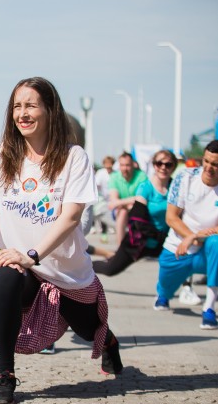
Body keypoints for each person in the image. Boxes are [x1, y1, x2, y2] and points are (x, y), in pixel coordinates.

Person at [0, 77, 123, 404]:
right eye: (17, 106)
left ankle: (107, 341)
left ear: (50, 110)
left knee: (88, 328)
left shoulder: (73, 157)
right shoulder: (2, 154)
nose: (22, 113)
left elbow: (71, 216)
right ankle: (5, 373)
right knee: (4, 275)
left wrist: (33, 255)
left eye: (31, 106)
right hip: (20, 264)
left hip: (65, 270)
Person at [153, 141, 218, 330]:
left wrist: (196, 237)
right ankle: (163, 293)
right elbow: (171, 217)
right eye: (206, 161)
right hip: (178, 249)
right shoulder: (185, 177)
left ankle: (209, 309)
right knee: (165, 289)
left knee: (216, 244)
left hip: (206, 250)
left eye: (215, 164)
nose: (209, 168)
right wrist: (192, 236)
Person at [93, 150, 177, 276]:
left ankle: (186, 286)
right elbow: (138, 221)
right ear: (154, 165)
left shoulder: (176, 188)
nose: (163, 167)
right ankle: (84, 267)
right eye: (159, 163)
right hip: (139, 241)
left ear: (174, 166)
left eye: (168, 164)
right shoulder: (146, 187)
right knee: (110, 269)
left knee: (184, 263)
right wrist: (160, 236)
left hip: (165, 243)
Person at [108, 152, 148, 245]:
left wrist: (121, 202)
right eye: (122, 165)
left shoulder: (141, 176)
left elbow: (141, 198)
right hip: (120, 210)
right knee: (122, 212)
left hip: (137, 209)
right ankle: (120, 246)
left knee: (132, 209)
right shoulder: (114, 177)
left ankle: (138, 244)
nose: (125, 168)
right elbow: (114, 200)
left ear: (133, 164)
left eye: (127, 165)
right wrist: (130, 201)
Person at [93, 155, 115, 242]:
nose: (108, 165)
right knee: (103, 216)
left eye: (110, 163)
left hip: (113, 199)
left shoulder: (115, 173)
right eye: (107, 163)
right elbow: (96, 184)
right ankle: (104, 234)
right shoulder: (101, 172)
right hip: (102, 198)